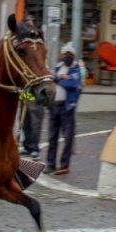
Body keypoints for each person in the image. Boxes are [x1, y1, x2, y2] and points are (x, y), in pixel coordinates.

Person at [47, 43, 84, 175]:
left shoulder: (76, 68)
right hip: (54, 106)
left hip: (67, 108)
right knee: (52, 137)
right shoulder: (57, 67)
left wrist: (59, 79)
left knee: (68, 138)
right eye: (65, 54)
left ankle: (64, 165)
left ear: (73, 56)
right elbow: (50, 78)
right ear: (62, 55)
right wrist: (60, 77)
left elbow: (73, 83)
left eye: (70, 54)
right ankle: (50, 164)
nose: (67, 56)